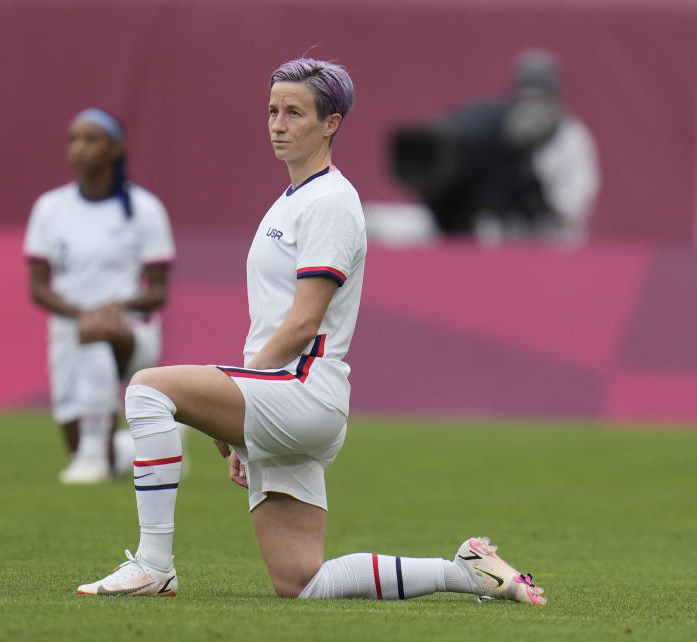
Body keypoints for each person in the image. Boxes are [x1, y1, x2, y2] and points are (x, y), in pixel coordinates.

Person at [76, 58, 546, 605]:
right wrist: (244, 415)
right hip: (287, 396)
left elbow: (302, 322)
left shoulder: (330, 202)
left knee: (148, 388)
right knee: (301, 582)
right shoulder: (295, 200)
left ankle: (154, 564)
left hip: (301, 389)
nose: (278, 123)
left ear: (332, 123)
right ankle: (466, 571)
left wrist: (236, 406)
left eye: (295, 112)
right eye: (273, 111)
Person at [23, 108, 176, 484]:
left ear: (115, 149)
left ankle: (93, 455)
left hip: (129, 332)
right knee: (91, 454)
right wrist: (80, 312)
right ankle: (122, 450)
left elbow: (157, 291)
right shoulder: (50, 208)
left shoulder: (145, 209)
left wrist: (115, 309)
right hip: (68, 330)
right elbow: (38, 287)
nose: (79, 149)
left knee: (95, 330)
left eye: (91, 140)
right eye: (73, 139)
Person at [390, 49, 598, 244]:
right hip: (497, 237)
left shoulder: (572, 136)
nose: (533, 108)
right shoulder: (497, 132)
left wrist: (535, 198)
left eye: (540, 98)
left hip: (553, 241)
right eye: (527, 97)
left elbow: (573, 200)